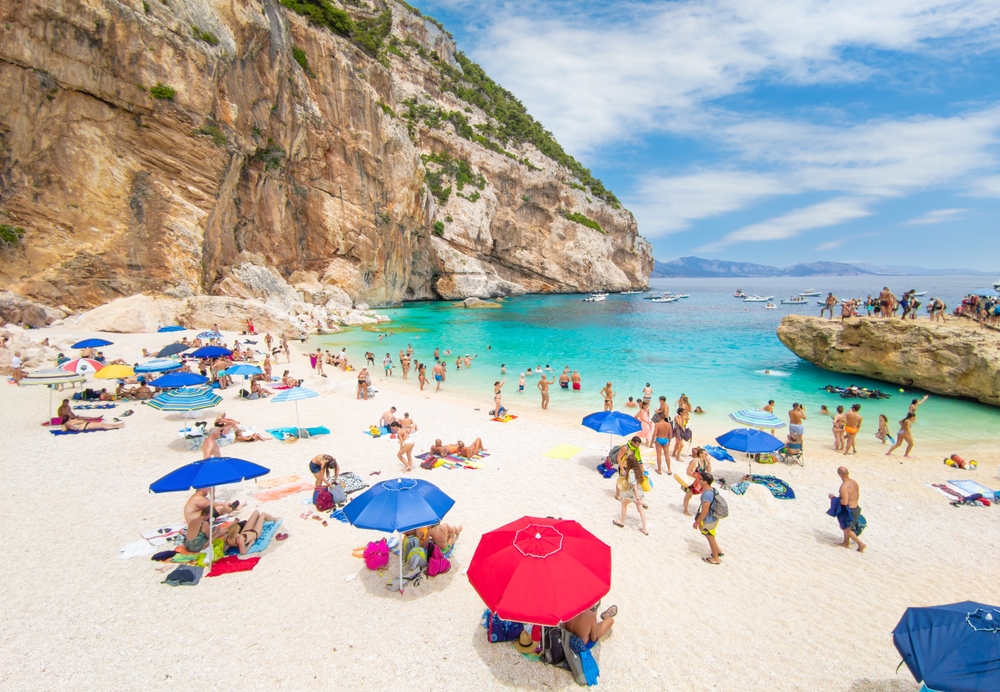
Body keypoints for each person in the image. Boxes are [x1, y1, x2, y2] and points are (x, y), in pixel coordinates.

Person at [830, 467, 866, 552]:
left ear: (839, 474)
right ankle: (846, 543)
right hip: (856, 507)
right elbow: (857, 494)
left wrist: (833, 498)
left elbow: (844, 502)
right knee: (847, 527)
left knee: (847, 529)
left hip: (849, 510)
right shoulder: (853, 482)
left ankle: (861, 544)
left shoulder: (844, 487)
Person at [612, 453, 648, 535]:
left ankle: (622, 521)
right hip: (639, 491)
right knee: (641, 510)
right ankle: (645, 529)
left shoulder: (631, 471)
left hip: (633, 493)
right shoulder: (637, 469)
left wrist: (637, 498)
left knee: (623, 504)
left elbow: (633, 483)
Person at [695, 472, 723, 564]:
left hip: (709, 519)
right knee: (711, 536)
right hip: (714, 517)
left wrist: (697, 522)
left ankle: (716, 558)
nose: (699, 480)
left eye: (701, 479)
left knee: (710, 537)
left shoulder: (707, 494)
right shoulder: (713, 490)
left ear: (706, 481)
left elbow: (705, 511)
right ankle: (718, 551)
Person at [682, 448, 712, 516]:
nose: (707, 455)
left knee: (705, 495)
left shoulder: (704, 462)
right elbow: (689, 471)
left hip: (700, 482)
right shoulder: (695, 461)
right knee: (688, 496)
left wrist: (709, 463)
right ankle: (685, 510)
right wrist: (698, 476)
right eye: (705, 454)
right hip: (692, 481)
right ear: (701, 455)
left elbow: (709, 471)